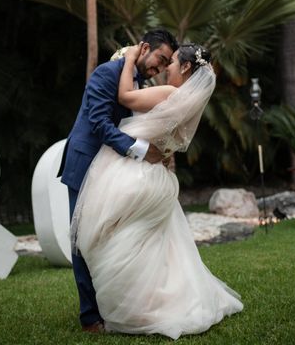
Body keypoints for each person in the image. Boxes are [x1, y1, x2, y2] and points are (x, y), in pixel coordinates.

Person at [71, 43, 243, 339]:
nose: (167, 68)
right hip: (157, 178)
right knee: (150, 249)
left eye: (173, 62)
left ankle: (130, 308)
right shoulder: (192, 103)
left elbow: (125, 97)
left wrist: (127, 60)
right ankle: (151, 302)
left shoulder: (170, 94)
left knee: (112, 239)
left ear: (187, 67)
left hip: (135, 175)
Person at [59, 29, 179, 332]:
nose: (159, 68)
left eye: (165, 65)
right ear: (145, 47)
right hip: (86, 162)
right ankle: (90, 317)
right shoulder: (106, 73)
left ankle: (118, 307)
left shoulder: (138, 81)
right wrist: (141, 151)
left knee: (113, 236)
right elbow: (99, 123)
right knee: (83, 240)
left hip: (114, 169)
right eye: (160, 59)